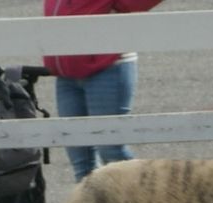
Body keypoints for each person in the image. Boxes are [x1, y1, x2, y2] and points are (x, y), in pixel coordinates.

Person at [42, 0, 164, 181]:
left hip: (108, 67)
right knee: (81, 161)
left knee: (111, 150)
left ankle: (153, 201)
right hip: (67, 76)